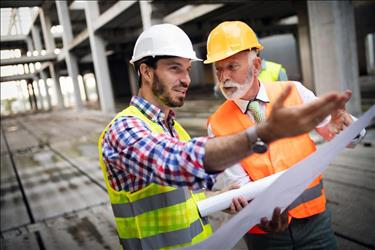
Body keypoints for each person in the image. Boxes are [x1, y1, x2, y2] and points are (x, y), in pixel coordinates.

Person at [98, 23, 352, 250]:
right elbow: (176, 163)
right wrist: (263, 133)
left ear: (256, 65)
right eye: (175, 69)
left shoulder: (175, 130)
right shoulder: (124, 128)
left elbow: (186, 199)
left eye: (187, 69)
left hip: (312, 219)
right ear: (147, 71)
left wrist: (225, 198)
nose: (186, 79)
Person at [204, 21, 365, 250]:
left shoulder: (295, 92)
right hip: (264, 233)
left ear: (256, 65)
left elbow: (343, 138)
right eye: (219, 69)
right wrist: (261, 213)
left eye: (232, 66)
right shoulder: (217, 123)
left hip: (315, 223)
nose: (224, 77)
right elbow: (240, 184)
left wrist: (349, 129)